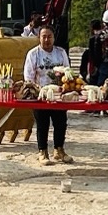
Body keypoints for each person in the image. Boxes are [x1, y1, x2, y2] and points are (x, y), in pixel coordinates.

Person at [23, 25, 72, 164]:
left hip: (59, 95)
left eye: (49, 37)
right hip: (41, 95)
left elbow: (68, 72)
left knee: (60, 123)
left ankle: (59, 150)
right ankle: (42, 152)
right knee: (42, 124)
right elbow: (28, 76)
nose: (46, 40)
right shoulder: (33, 54)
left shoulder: (61, 52)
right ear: (39, 38)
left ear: (54, 38)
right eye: (43, 37)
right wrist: (36, 90)